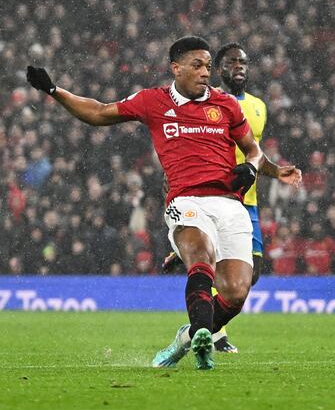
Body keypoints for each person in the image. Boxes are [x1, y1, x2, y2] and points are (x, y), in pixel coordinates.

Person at [26, 36, 302, 370]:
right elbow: (98, 112)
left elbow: (253, 148)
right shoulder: (153, 101)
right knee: (200, 255)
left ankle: (186, 338)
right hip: (186, 200)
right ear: (176, 68)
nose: (205, 72)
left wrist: (254, 167)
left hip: (231, 204)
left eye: (208, 67)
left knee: (236, 292)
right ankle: (204, 336)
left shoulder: (226, 105)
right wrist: (55, 91)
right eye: (197, 65)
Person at [163, 42, 270, 353]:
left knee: (248, 277)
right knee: (205, 259)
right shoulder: (207, 103)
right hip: (203, 195)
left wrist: (271, 171)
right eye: (232, 62)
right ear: (220, 69)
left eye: (244, 62)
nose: (240, 67)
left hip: (244, 201)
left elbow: (256, 152)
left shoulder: (257, 106)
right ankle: (212, 332)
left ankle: (201, 330)